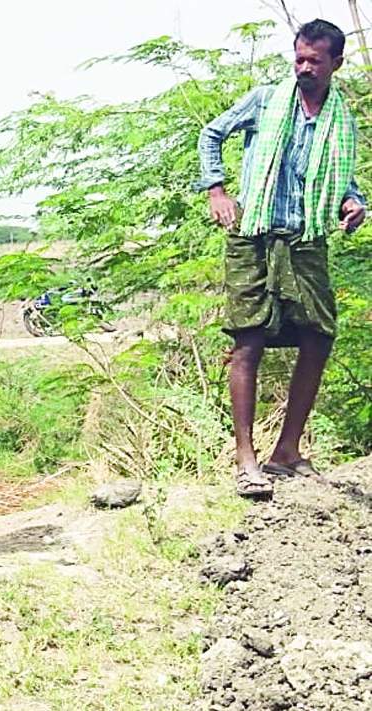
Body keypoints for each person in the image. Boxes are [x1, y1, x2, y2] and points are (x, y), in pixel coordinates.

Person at [197, 19, 365, 499]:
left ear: (336, 62)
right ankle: (245, 457)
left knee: (319, 334)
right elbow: (212, 134)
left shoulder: (341, 119)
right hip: (252, 231)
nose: (305, 68)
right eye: (299, 58)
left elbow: (340, 180)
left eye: (315, 60)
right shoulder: (266, 100)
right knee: (247, 337)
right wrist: (216, 190)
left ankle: (287, 451)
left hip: (307, 235)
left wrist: (353, 203)